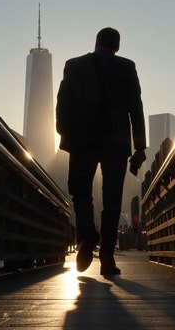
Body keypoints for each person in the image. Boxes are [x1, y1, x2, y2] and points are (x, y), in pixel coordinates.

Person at [56, 27, 146, 276]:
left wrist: (65, 133)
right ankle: (107, 258)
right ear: (117, 47)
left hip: (82, 140)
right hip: (116, 142)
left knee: (80, 191)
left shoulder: (74, 66)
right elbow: (135, 107)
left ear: (96, 42)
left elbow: (63, 103)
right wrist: (139, 146)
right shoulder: (127, 67)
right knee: (113, 199)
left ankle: (87, 235)